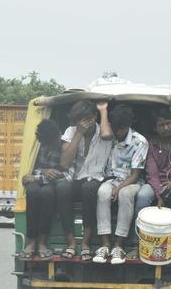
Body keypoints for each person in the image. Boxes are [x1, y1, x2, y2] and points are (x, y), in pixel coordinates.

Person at [128, 107, 171, 264]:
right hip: (155, 184)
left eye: (168, 124)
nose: (166, 128)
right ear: (155, 128)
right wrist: (159, 195)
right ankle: (136, 244)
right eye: (161, 125)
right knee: (142, 197)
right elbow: (151, 174)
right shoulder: (151, 144)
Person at [55, 99, 113, 261]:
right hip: (75, 177)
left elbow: (107, 135)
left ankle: (86, 243)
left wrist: (102, 112)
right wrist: (78, 134)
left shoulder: (104, 131)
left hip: (96, 178)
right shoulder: (71, 131)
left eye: (86, 118)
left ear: (94, 116)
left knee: (89, 189)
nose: (82, 123)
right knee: (62, 188)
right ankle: (71, 242)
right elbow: (64, 163)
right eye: (78, 120)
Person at [93, 104, 149, 265]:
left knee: (125, 194)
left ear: (128, 125)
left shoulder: (140, 142)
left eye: (121, 129)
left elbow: (136, 174)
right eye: (115, 128)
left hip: (133, 182)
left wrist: (119, 188)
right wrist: (113, 186)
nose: (118, 133)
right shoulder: (110, 138)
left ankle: (119, 245)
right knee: (102, 192)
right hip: (111, 180)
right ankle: (105, 244)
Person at [19, 119, 65, 261]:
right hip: (39, 178)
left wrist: (37, 177)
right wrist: (43, 172)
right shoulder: (38, 146)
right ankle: (31, 241)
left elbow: (59, 173)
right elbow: (36, 169)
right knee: (32, 193)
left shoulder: (63, 144)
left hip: (54, 183)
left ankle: (43, 242)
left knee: (47, 193)